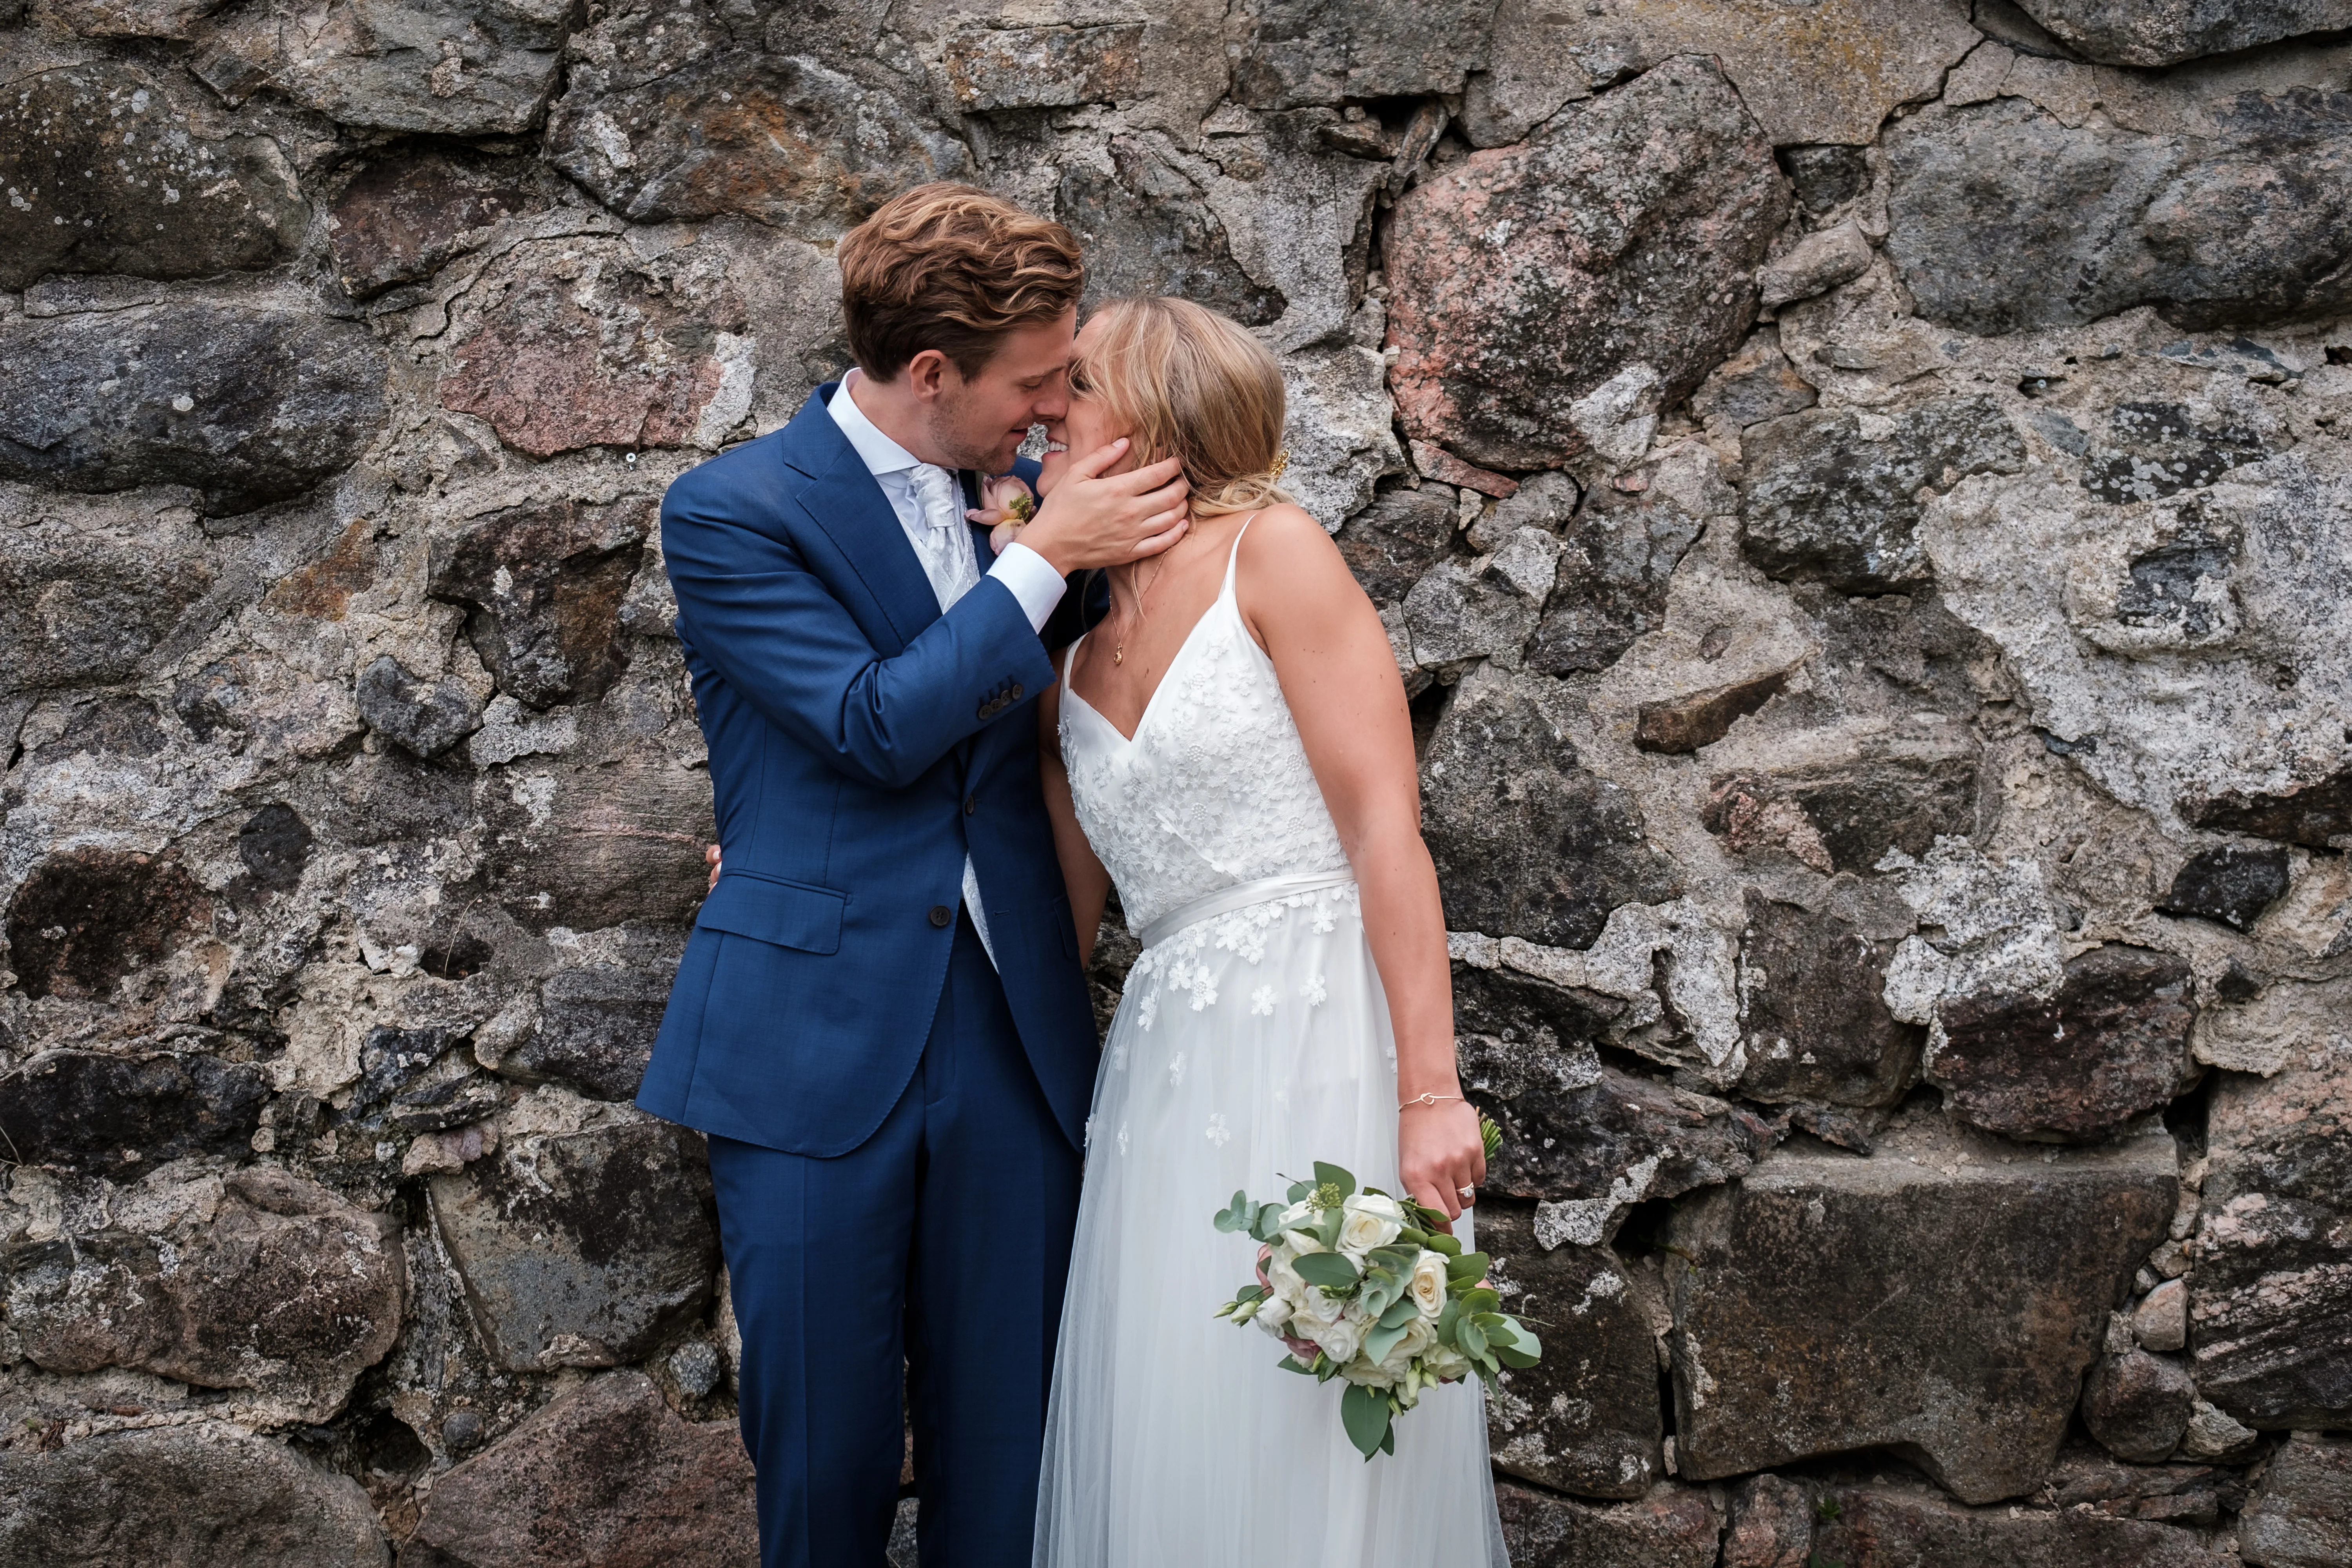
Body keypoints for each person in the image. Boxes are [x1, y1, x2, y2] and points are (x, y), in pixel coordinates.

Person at [635, 183, 1189, 1568]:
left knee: (1008, 1454)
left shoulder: (1032, 491)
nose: (1054, 410)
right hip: (809, 1029)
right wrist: (1043, 564)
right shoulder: (734, 510)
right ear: (932, 372)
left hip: (1015, 1025)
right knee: (819, 1454)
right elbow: (873, 728)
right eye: (1033, 383)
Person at [1026, 296, 1508, 1564]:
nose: (1039, 408)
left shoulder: (1277, 554)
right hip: (1166, 1061)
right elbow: (1063, 927)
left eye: (1072, 385)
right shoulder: (1065, 660)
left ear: (1151, 414)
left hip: (1317, 1023)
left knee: (1315, 1403)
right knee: (1176, 1386)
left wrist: (1429, 1094)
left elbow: (1383, 836)